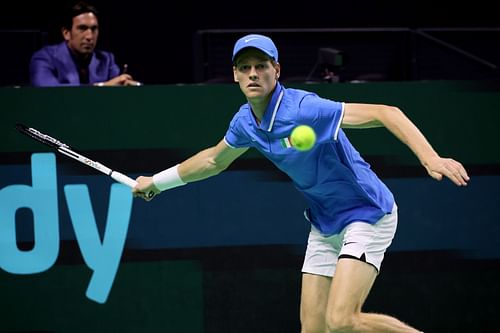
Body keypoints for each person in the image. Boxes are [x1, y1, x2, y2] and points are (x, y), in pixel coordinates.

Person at [133, 34, 469, 332]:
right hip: (325, 223)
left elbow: (387, 113)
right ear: (235, 74)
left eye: (261, 66)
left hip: (367, 214)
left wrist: (431, 158)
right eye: (245, 67)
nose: (253, 74)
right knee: (313, 328)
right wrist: (157, 183)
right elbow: (212, 160)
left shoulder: (305, 108)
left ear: (276, 70)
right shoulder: (245, 122)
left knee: (341, 320)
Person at [29, 1, 140, 87]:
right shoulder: (44, 58)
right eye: (82, 28)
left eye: (94, 29)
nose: (89, 37)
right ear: (66, 33)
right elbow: (48, 92)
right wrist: (102, 86)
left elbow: (118, 90)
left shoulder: (106, 60)